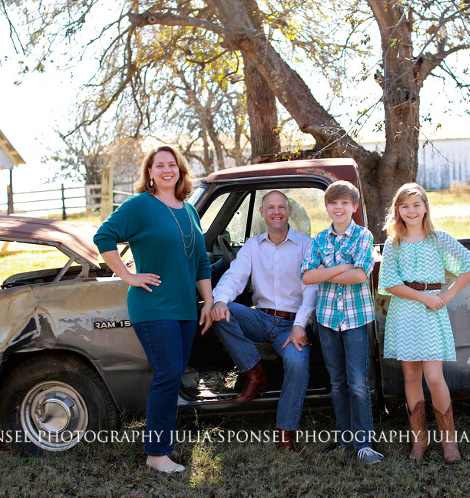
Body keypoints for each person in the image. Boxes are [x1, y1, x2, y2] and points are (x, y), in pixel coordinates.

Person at [94, 145, 213, 474]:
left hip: (186, 308)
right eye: (159, 165)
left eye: (171, 165)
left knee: (172, 376)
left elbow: (200, 260)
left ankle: (162, 446)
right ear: (149, 172)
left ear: (180, 170)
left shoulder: (188, 209)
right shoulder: (140, 206)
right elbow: (104, 236)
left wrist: (209, 300)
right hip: (153, 305)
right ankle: (157, 453)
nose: (166, 170)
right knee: (168, 374)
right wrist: (129, 276)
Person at [377, 183, 470, 463]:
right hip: (405, 311)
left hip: (431, 314)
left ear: (425, 207)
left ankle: (449, 442)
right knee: (411, 377)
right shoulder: (394, 243)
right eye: (405, 206)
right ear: (397, 211)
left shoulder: (438, 239)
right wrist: (422, 297)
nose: (411, 211)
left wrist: (446, 294)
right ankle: (420, 442)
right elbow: (389, 282)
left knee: (434, 378)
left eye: (416, 205)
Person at [210, 190, 317, 453]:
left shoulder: (306, 244)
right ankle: (255, 373)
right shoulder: (252, 246)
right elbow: (235, 276)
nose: (276, 212)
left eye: (281, 207)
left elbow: (312, 290)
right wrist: (220, 300)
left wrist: (300, 325)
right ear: (262, 213)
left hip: (292, 325)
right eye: (271, 208)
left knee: (297, 363)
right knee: (222, 312)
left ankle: (286, 432)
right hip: (260, 317)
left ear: (289, 211)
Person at [301, 180, 384, 465]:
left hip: (356, 318)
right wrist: (341, 268)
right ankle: (344, 438)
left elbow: (361, 275)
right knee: (337, 382)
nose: (339, 208)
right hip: (326, 319)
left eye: (345, 203)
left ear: (354, 207)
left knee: (359, 382)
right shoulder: (319, 239)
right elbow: (307, 277)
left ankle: (364, 444)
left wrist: (325, 272)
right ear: (326, 207)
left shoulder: (363, 236)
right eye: (333, 203)